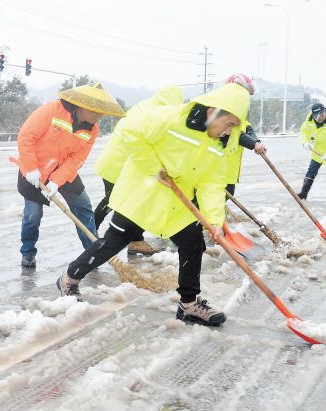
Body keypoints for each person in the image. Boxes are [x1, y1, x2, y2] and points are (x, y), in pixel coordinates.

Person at [56, 83, 251, 326]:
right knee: (112, 243)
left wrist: (213, 219)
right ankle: (69, 278)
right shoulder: (171, 117)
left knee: (192, 242)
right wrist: (155, 168)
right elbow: (130, 132)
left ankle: (189, 303)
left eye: (234, 126)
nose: (228, 131)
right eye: (229, 123)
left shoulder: (219, 143)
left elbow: (212, 182)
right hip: (142, 195)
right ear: (214, 112)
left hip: (176, 205)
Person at [11, 83, 124, 269]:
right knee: (33, 215)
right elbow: (26, 136)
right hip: (34, 171)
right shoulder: (52, 110)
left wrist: (56, 181)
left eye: (102, 112)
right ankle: (28, 252)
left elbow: (77, 158)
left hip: (63, 170)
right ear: (82, 105)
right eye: (95, 111)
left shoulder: (92, 129)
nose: (99, 116)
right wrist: (30, 168)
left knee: (83, 206)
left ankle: (93, 254)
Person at [92, 84, 183, 256]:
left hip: (121, 160)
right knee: (114, 202)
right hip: (120, 163)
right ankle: (90, 232)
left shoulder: (147, 106)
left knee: (133, 203)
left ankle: (135, 240)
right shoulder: (156, 113)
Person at [223, 73, 267, 197]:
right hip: (218, 168)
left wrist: (257, 141)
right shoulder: (224, 107)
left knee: (225, 197)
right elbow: (232, 132)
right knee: (211, 203)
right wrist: (253, 144)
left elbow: (246, 127)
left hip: (229, 170)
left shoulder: (237, 108)